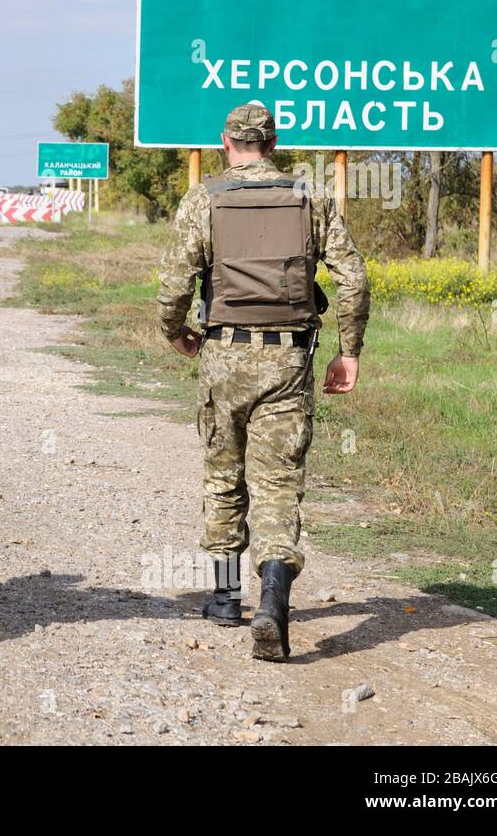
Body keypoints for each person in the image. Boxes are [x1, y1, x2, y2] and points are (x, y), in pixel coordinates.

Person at [156, 102, 369, 662]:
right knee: (278, 484)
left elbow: (175, 281)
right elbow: (354, 277)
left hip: (225, 355)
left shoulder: (204, 197)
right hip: (288, 361)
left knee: (224, 473)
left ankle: (226, 598)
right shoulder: (310, 196)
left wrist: (175, 331)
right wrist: (349, 353)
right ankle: (274, 599)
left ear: (226, 142)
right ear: (272, 143)